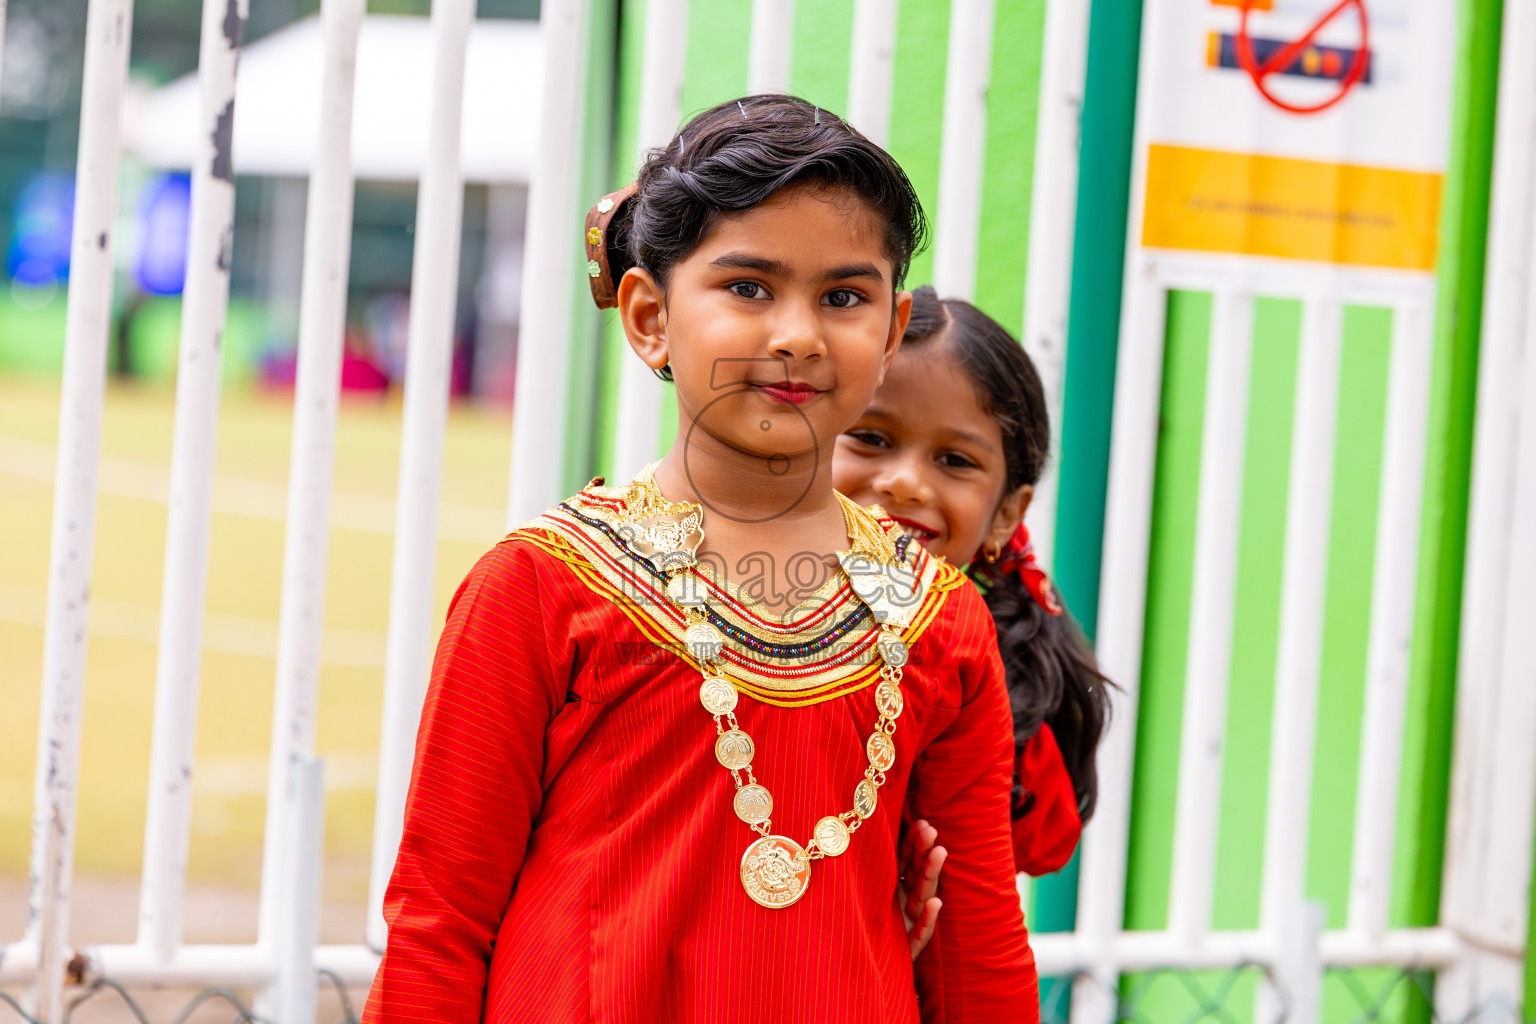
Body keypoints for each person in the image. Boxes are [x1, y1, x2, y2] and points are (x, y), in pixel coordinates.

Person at [364, 96, 1038, 1024]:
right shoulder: (541, 590)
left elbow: (979, 943)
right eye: (749, 288)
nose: (798, 333)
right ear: (649, 317)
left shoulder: (938, 617)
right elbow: (441, 918)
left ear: (890, 332)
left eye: (843, 297)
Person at [834, 287, 1112, 955]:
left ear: (1008, 513)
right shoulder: (725, 626)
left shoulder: (991, 684)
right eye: (871, 438)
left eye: (955, 461)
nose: (904, 482)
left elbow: (1030, 851)